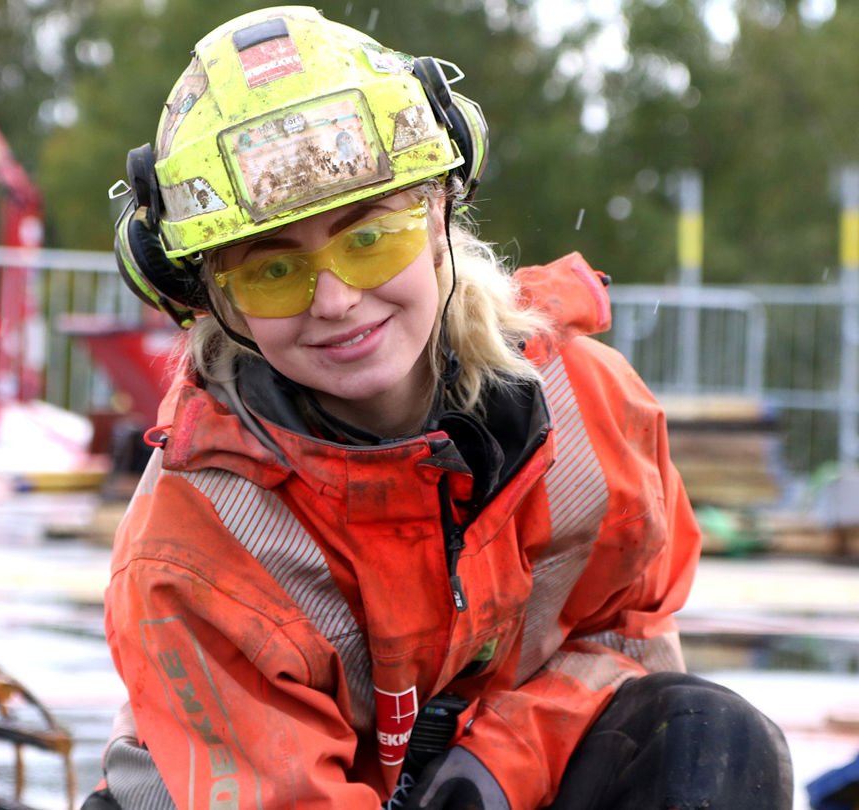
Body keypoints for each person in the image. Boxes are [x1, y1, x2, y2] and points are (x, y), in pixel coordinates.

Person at [88, 6, 792, 810]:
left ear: (436, 216)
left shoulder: (588, 413)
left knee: (708, 736)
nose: (336, 301)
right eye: (273, 273)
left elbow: (627, 638)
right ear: (213, 301)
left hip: (484, 782)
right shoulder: (196, 541)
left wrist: (495, 768)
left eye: (368, 240)